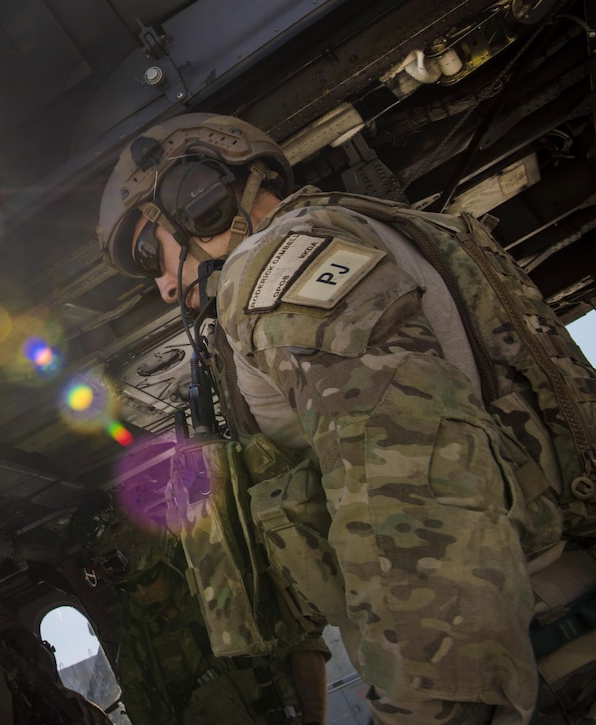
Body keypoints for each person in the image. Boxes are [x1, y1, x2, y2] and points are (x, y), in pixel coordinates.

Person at [95, 113, 596, 723]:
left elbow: (407, 487)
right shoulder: (354, 234)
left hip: (517, 666)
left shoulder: (271, 270)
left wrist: (428, 705)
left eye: (152, 252)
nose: (166, 286)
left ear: (196, 199)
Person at [91, 521, 328, 725]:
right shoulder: (137, 650)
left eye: (148, 577)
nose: (142, 592)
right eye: (129, 587)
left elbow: (301, 646)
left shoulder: (229, 598)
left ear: (168, 564)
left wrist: (314, 719)